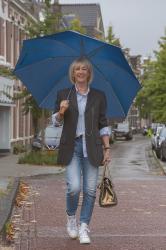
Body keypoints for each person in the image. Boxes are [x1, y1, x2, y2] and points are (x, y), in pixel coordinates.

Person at [52, 57, 111, 244]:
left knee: (90, 190)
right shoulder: (64, 94)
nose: (80, 72)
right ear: (73, 73)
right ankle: (71, 218)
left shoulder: (99, 96)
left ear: (88, 73)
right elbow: (55, 122)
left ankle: (84, 226)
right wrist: (61, 111)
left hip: (92, 147)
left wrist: (107, 148)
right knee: (74, 187)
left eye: (84, 69)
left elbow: (103, 124)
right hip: (72, 146)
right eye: (77, 69)